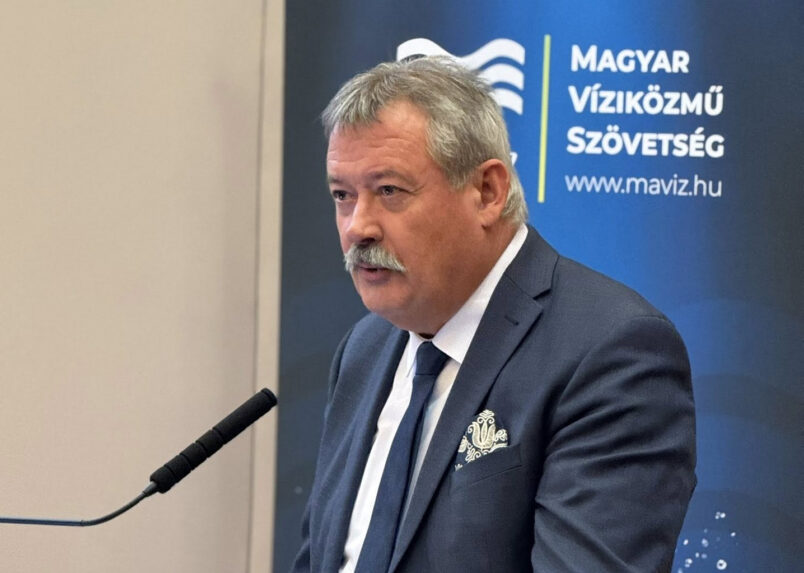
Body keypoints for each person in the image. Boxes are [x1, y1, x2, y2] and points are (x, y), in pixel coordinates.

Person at [292, 56, 696, 573]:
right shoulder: (364, 349)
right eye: (342, 195)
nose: (357, 227)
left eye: (389, 191)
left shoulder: (612, 353)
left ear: (487, 191)